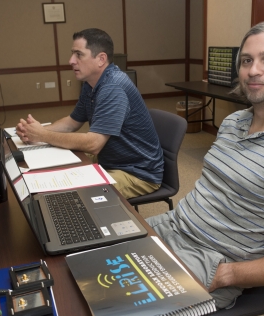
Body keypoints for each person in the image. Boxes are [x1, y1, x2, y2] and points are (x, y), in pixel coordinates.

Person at [147, 20, 264, 310]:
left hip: (211, 263)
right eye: (247, 60)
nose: (253, 70)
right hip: (171, 227)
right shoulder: (234, 122)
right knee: (79, 262)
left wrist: (227, 275)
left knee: (109, 311)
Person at [16, 28, 164, 199]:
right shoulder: (91, 83)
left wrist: (43, 134)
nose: (71, 60)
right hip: (111, 160)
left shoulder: (113, 87)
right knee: (53, 167)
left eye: (79, 54)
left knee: (73, 196)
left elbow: (94, 144)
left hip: (137, 173)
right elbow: (72, 122)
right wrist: (35, 133)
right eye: (72, 54)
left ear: (101, 59)